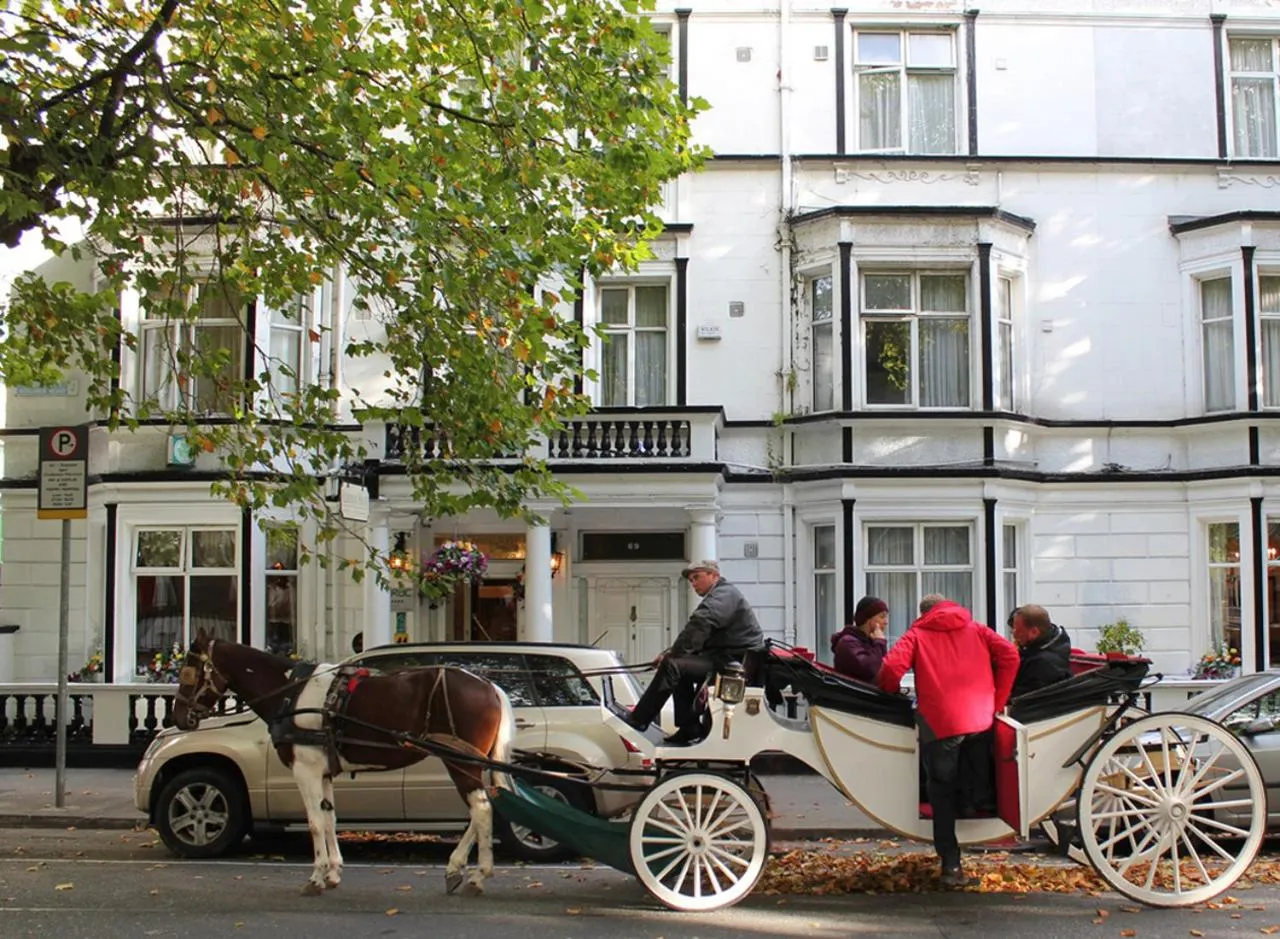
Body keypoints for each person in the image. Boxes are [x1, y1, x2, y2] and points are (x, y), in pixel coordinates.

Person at [878, 599, 1019, 888]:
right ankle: (972, 814)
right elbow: (1010, 657)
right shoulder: (978, 629)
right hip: (979, 719)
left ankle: (951, 863)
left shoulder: (917, 634)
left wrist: (888, 692)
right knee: (972, 777)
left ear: (924, 613)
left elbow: (892, 669)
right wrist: (998, 700)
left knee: (940, 791)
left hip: (941, 722)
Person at [624, 560, 765, 746]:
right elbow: (699, 636)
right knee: (678, 667)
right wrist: (670, 653)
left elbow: (699, 626)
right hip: (728, 662)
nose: (693, 583)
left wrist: (670, 656)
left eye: (697, 577)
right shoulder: (721, 595)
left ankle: (639, 719)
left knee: (673, 665)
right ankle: (689, 728)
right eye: (691, 580)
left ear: (714, 575)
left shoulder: (724, 595)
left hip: (732, 665)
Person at [1010, 604, 1072, 698]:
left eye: (1018, 631)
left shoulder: (1042, 664)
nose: (1014, 635)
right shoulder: (1042, 646)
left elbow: (1020, 697)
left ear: (1034, 632)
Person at [830, 596, 888, 683]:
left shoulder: (871, 641)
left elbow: (884, 669)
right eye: (882, 617)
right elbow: (870, 669)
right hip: (854, 695)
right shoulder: (847, 643)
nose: (886, 622)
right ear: (868, 619)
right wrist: (879, 643)